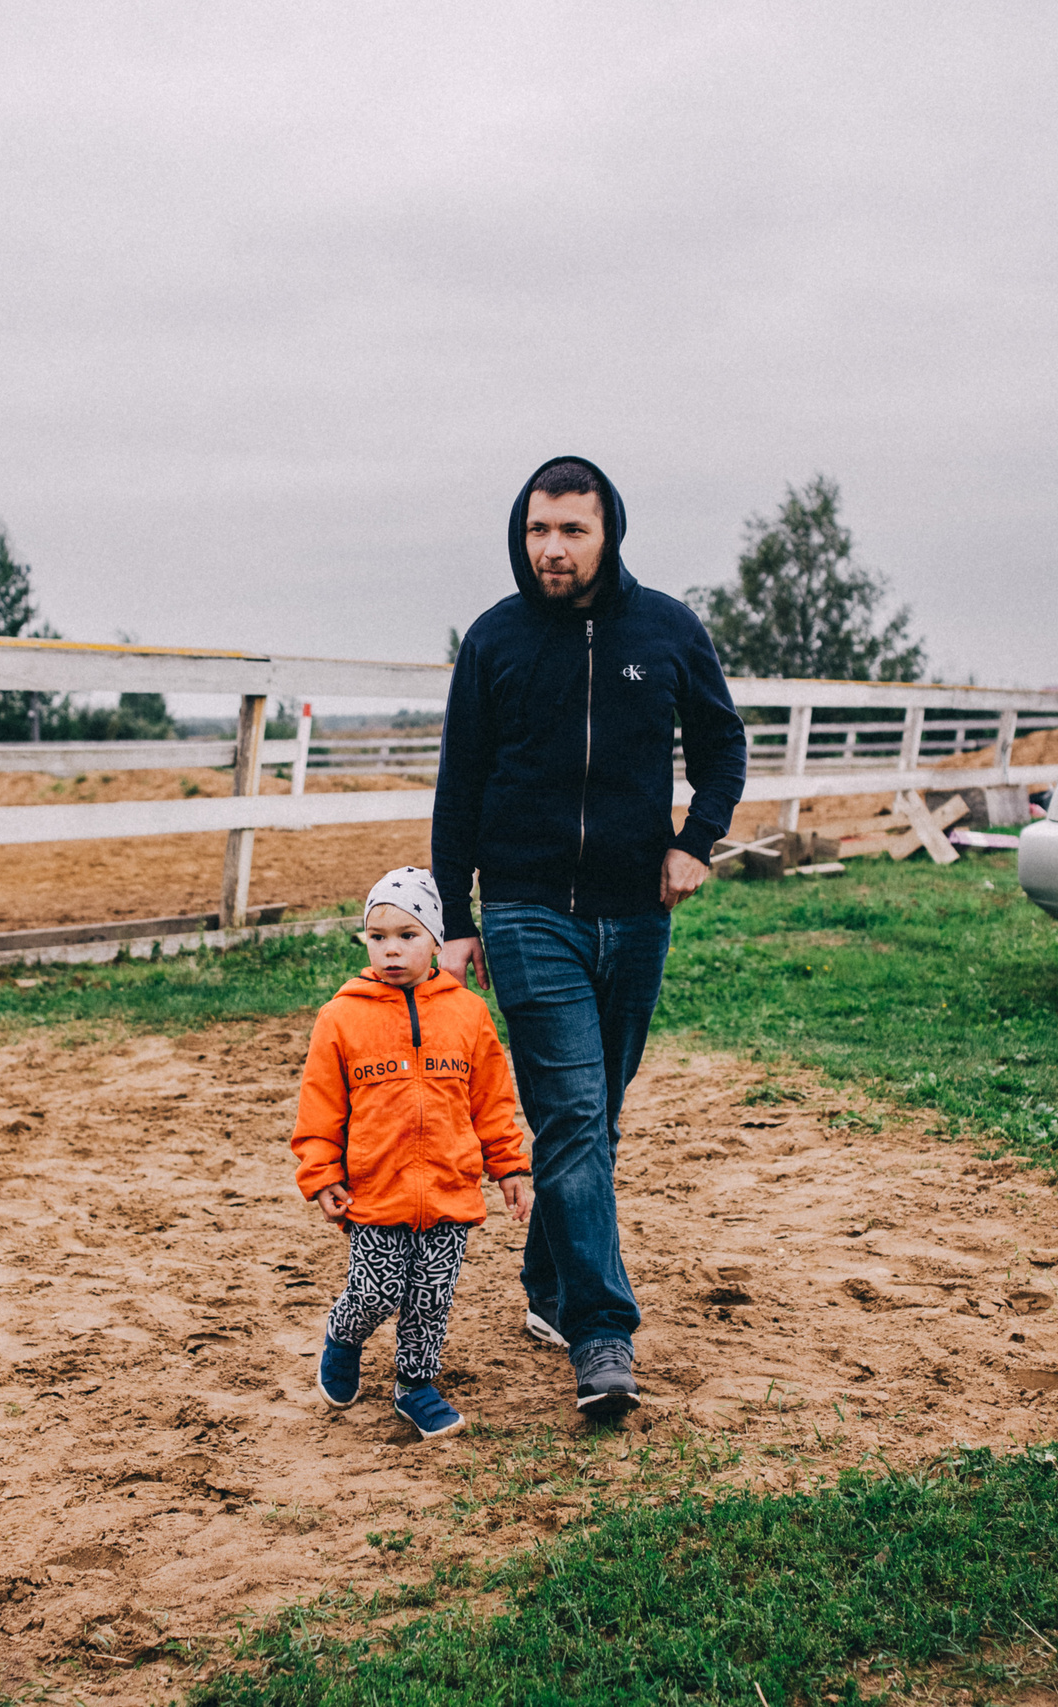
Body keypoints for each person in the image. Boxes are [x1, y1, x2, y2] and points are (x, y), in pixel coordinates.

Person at [431, 455, 747, 1418]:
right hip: (527, 910)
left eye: (571, 530)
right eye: (538, 530)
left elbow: (723, 744)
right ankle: (603, 1334)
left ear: (609, 532)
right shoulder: (496, 640)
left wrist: (696, 841)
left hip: (636, 912)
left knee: (593, 1120)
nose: (552, 549)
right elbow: (460, 784)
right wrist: (455, 918)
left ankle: (548, 1290)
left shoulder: (666, 630)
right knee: (572, 1118)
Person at [291, 867, 533, 1441]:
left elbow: (492, 1101)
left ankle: (415, 1386)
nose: (392, 949)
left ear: (436, 939)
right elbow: (320, 1106)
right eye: (378, 937)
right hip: (375, 1191)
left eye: (408, 935)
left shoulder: (468, 1014)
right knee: (376, 1291)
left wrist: (509, 1166)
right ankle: (344, 1335)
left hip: (450, 1189)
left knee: (430, 1299)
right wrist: (321, 1173)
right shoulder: (341, 1016)